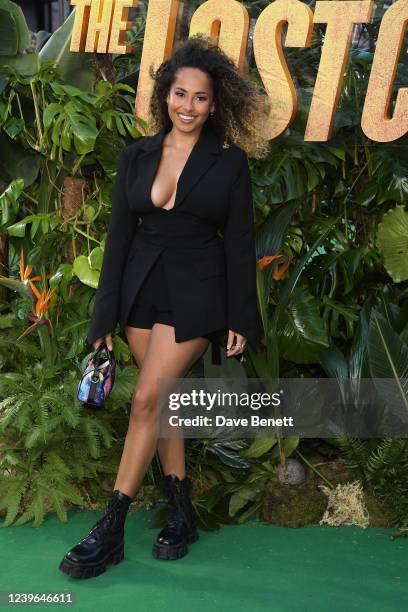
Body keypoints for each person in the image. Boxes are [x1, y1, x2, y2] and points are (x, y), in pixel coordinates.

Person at [59, 34, 270, 579]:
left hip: (198, 291)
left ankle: (110, 529)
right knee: (167, 403)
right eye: (180, 94)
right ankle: (182, 512)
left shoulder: (228, 164)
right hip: (140, 290)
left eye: (200, 98)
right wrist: (103, 317)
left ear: (215, 105)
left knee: (149, 399)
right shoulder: (137, 157)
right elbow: (119, 239)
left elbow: (240, 242)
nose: (188, 106)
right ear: (164, 95)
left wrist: (241, 317)